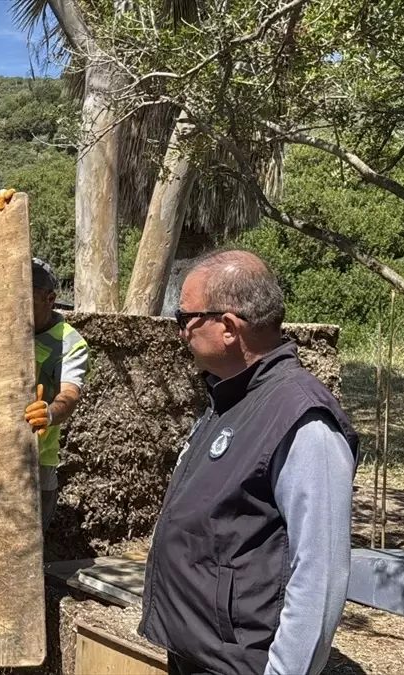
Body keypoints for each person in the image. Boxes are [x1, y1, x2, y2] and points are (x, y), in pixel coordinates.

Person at [139, 249, 358, 675]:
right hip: (198, 653)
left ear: (227, 327)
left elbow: (321, 573)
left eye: (185, 318)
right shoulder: (231, 397)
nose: (180, 332)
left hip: (238, 664)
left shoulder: (303, 419)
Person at [22, 257, 89, 531]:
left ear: (50, 299)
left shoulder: (69, 343)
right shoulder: (4, 329)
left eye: (28, 298)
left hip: (38, 461)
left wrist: (48, 414)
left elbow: (69, 396)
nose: (19, 306)